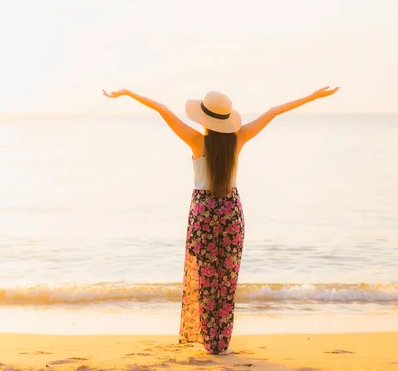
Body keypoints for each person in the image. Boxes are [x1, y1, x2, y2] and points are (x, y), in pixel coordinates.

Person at [102, 86, 340, 354]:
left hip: (204, 213)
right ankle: (221, 342)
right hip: (230, 212)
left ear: (204, 118)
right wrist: (312, 97)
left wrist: (128, 93)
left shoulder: (195, 140)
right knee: (226, 279)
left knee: (205, 277)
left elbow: (163, 110)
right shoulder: (238, 139)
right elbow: (274, 111)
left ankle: (208, 340)